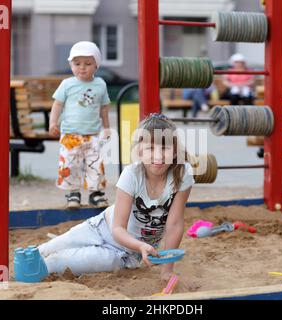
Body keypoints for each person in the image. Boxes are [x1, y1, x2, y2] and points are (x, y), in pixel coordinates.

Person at [38, 113, 195, 281]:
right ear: (140, 151)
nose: (158, 155)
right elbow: (118, 228)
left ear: (176, 151)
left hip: (125, 253)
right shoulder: (132, 174)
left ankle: (38, 269)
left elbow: (175, 224)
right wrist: (141, 245)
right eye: (150, 148)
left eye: (165, 148)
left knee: (54, 264)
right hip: (99, 228)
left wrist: (167, 269)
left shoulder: (182, 173)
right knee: (44, 250)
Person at [49, 41, 111, 209]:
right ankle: (73, 193)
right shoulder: (67, 84)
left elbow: (104, 108)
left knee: (95, 163)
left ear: (96, 65)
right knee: (70, 164)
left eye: (88, 64)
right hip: (71, 134)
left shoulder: (100, 84)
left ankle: (95, 193)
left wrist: (107, 127)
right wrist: (53, 122)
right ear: (71, 65)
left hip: (93, 134)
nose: (82, 68)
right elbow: (57, 105)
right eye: (77, 64)